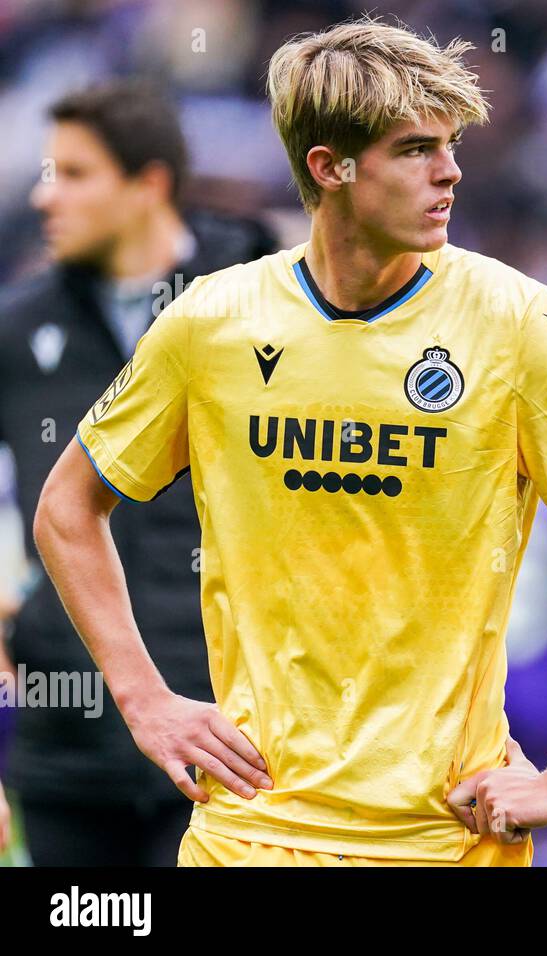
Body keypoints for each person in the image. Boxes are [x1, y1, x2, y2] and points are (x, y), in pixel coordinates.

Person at [34, 18, 547, 867]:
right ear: (329, 168)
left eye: (451, 146)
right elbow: (65, 510)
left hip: (446, 838)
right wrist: (144, 699)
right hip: (248, 835)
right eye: (416, 149)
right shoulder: (210, 322)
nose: (450, 171)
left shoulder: (516, 322)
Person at [0, 80, 275, 866]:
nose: (43, 196)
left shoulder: (267, 300)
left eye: (74, 173)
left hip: (237, 745)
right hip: (68, 751)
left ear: (149, 184)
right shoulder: (16, 330)